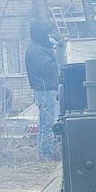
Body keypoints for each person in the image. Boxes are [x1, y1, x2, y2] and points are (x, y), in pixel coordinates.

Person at [25, 21, 60, 159]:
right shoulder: (37, 51)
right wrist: (56, 57)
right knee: (48, 125)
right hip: (46, 90)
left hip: (42, 91)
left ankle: (43, 154)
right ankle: (46, 155)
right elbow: (48, 69)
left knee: (44, 124)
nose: (49, 36)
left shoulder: (35, 48)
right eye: (47, 33)